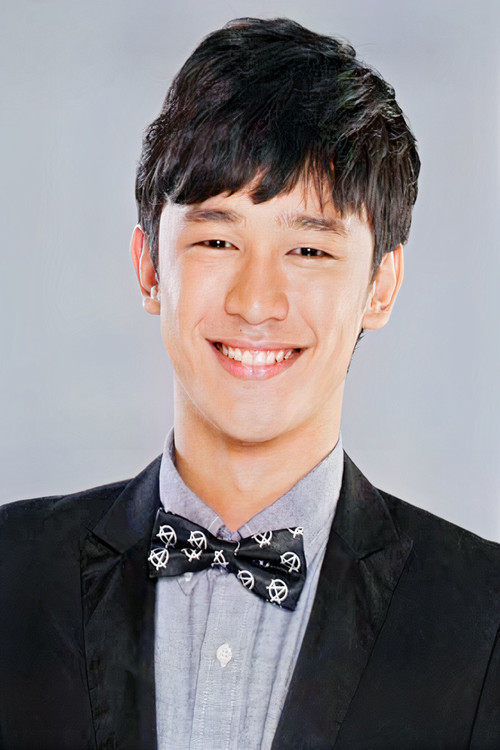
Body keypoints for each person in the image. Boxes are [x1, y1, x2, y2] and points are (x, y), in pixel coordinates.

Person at [1, 16, 499, 750]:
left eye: (308, 250)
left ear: (381, 286)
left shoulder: (484, 619)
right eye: (217, 240)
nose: (256, 302)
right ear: (149, 267)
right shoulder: (11, 572)